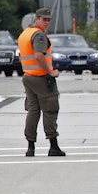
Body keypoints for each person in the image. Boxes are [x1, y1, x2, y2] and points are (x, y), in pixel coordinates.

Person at [17, 8, 65, 157]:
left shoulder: (25, 34)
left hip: (28, 77)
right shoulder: (38, 35)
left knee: (33, 111)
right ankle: (53, 145)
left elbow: (22, 56)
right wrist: (50, 72)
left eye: (48, 20)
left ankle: (30, 146)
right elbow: (38, 56)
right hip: (41, 78)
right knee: (50, 110)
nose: (46, 23)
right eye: (44, 19)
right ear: (36, 19)